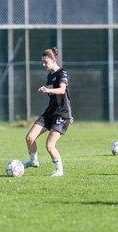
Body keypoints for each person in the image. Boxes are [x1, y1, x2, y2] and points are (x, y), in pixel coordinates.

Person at [23, 47, 73, 177]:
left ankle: (59, 170)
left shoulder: (62, 73)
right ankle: (33, 161)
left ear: (54, 60)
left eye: (46, 62)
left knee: (50, 145)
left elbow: (62, 90)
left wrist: (48, 90)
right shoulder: (49, 76)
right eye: (42, 62)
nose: (43, 64)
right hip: (49, 113)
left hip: (61, 114)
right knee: (29, 138)